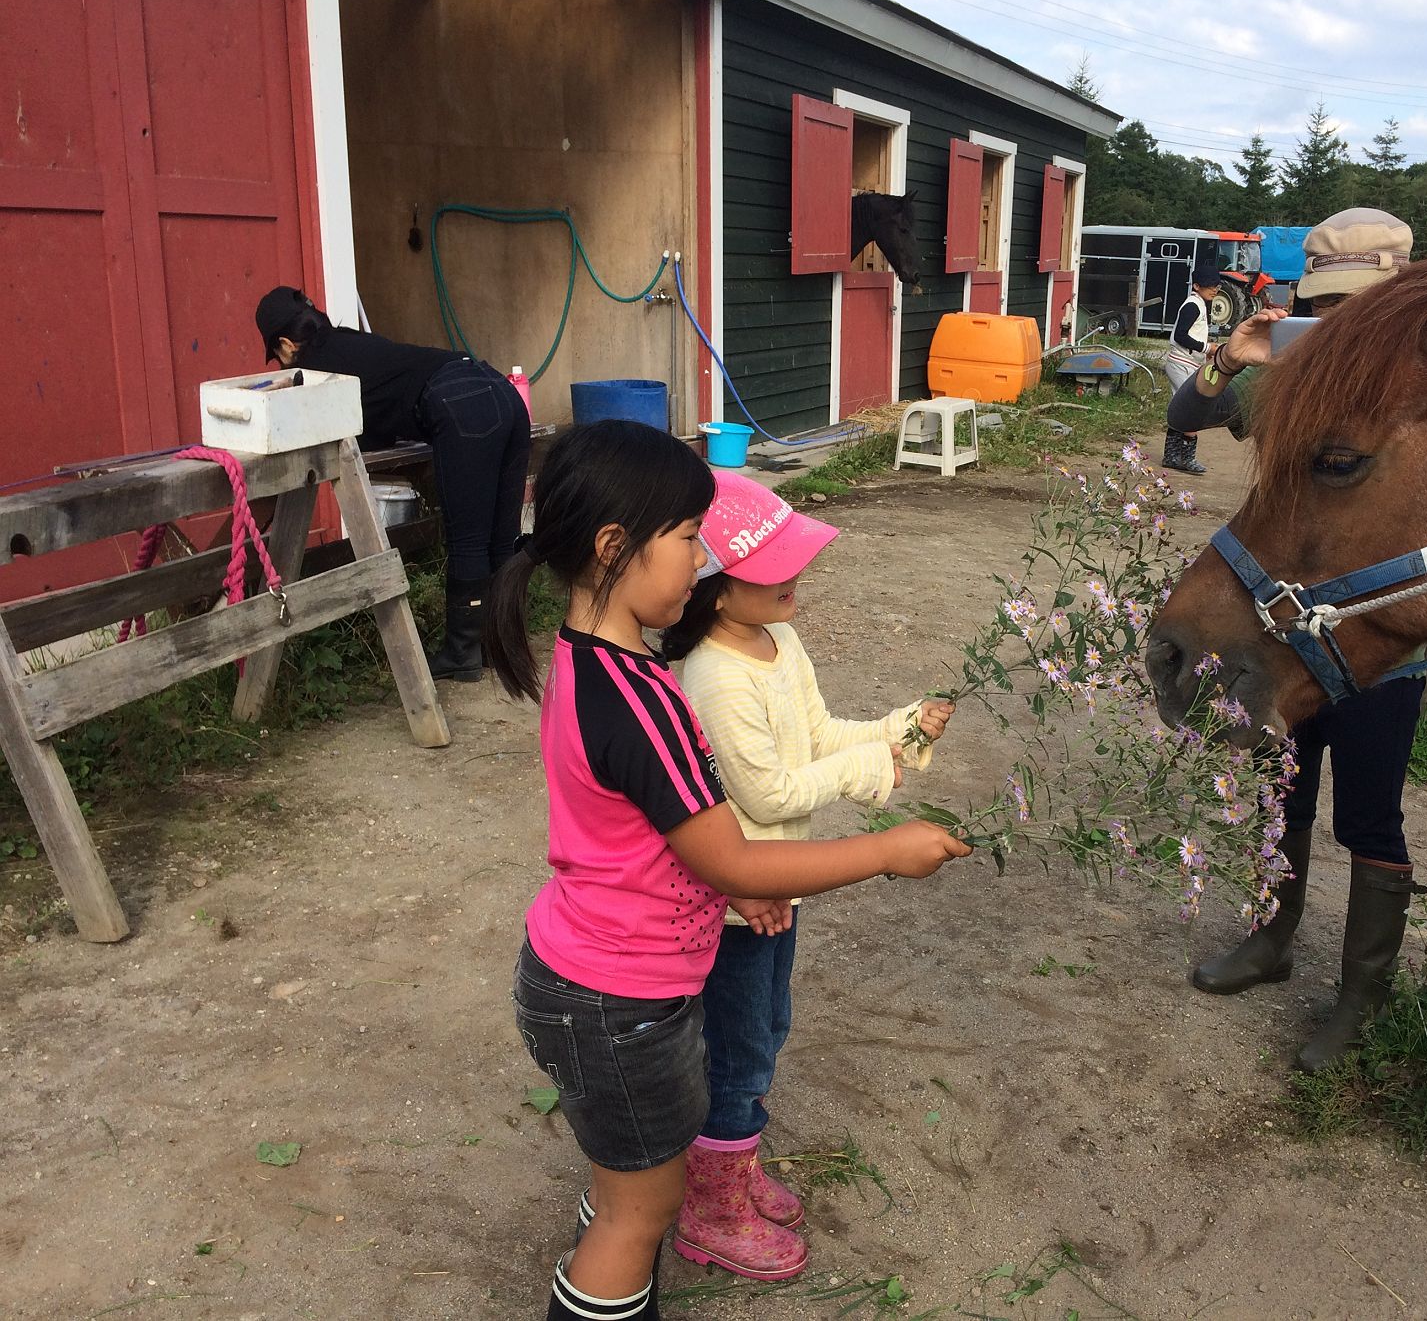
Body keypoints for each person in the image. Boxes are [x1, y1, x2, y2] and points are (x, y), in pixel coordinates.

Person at [484, 420, 969, 1321]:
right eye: (687, 539)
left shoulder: (587, 664)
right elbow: (729, 847)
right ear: (613, 547)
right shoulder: (646, 700)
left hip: (579, 975)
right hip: (618, 1000)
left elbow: (651, 837)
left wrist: (734, 882)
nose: (702, 558)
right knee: (642, 1215)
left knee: (626, 1178)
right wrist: (886, 854)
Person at [659, 473, 954, 1280]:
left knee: (766, 1028)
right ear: (717, 592)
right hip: (735, 900)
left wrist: (896, 729)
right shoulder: (715, 679)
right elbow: (769, 792)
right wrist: (869, 768)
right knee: (739, 1048)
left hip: (778, 884)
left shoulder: (778, 640)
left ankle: (730, 1168)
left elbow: (816, 734)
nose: (794, 577)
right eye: (773, 565)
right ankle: (710, 1210)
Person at [1170, 207, 1427, 1073]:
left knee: (1370, 812)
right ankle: (1272, 938)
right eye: (1327, 302)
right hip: (1282, 628)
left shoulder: (1426, 400)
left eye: (1364, 302)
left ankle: (1360, 998)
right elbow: (1185, 414)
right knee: (1283, 783)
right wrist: (1227, 357)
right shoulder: (1289, 378)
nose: (1345, 321)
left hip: (1378, 639)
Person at [254, 286, 530, 684]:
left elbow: (329, 427)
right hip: (498, 389)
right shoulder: (352, 342)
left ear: (284, 344)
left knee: (468, 541)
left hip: (460, 404)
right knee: (502, 539)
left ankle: (462, 652)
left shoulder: (314, 370)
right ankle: (501, 646)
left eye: (277, 356)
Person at [1161, 257, 1222, 474]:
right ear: (1197, 286)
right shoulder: (1193, 305)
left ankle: (1172, 456)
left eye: (1216, 285)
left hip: (1188, 362)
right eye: (1209, 285)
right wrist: (1207, 349)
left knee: (1181, 408)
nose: (1214, 289)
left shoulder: (1199, 304)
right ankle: (1185, 458)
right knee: (1191, 408)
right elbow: (1180, 336)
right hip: (1180, 362)